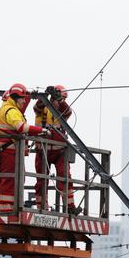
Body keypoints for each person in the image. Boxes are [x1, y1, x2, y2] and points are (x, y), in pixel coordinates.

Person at [0, 83, 50, 212]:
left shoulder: (5, 109)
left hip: (2, 150)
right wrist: (41, 130)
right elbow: (21, 128)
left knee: (1, 180)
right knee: (10, 180)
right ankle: (7, 210)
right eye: (22, 98)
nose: (24, 101)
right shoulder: (11, 111)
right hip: (9, 151)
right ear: (16, 98)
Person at [33, 85, 82, 215]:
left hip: (59, 151)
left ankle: (70, 206)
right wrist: (44, 96)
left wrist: (59, 100)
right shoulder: (42, 110)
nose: (61, 102)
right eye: (59, 99)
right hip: (42, 150)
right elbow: (37, 107)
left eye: (63, 99)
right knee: (42, 181)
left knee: (65, 178)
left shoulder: (63, 112)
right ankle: (42, 208)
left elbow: (68, 111)